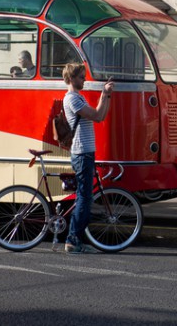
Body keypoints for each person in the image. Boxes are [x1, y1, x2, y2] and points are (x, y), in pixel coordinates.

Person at [62, 63, 114, 254]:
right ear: (72, 78)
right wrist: (104, 94)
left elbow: (100, 116)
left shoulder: (78, 97)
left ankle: (75, 238)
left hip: (85, 152)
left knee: (85, 197)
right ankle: (73, 240)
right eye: (81, 77)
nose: (84, 79)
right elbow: (97, 115)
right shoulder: (73, 99)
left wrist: (106, 94)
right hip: (82, 152)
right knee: (84, 198)